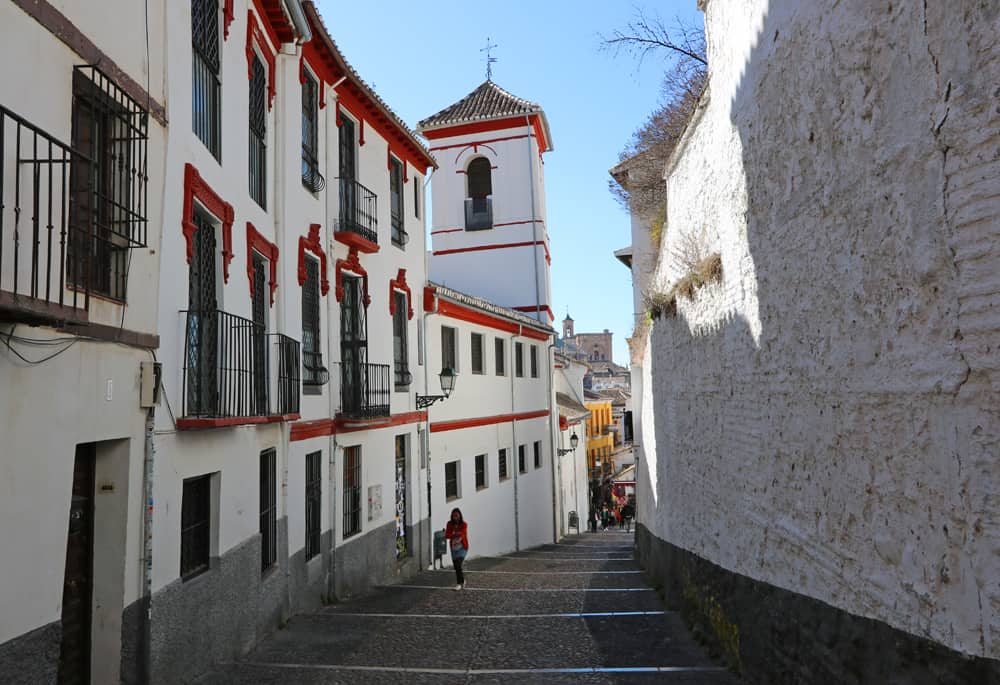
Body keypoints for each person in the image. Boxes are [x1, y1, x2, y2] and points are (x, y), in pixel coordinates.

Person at [444, 508, 469, 590]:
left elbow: (463, 534)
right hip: (454, 548)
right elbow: (447, 535)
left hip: (462, 548)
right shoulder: (449, 524)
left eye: (457, 516)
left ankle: (459, 584)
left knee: (458, 564)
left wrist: (456, 534)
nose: (455, 518)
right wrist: (455, 534)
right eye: (454, 516)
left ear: (460, 516)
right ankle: (463, 580)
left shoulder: (464, 524)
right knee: (456, 567)